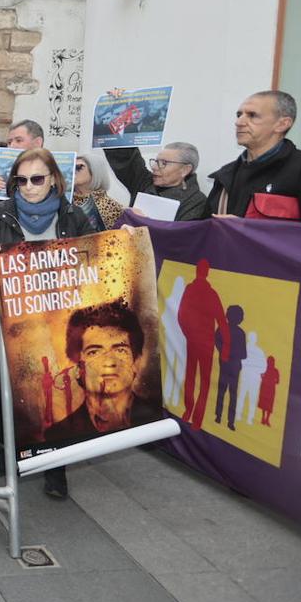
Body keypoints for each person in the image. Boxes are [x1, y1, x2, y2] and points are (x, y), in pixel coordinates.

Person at [0, 147, 93, 499]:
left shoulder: (73, 215)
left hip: (57, 319)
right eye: (21, 180)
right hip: (7, 319)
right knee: (10, 390)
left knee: (57, 391)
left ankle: (56, 467)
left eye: (37, 179)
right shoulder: (1, 212)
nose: (30, 187)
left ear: (53, 179)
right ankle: (8, 452)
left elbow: (97, 253)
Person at [42, 302, 162, 445]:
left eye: (120, 350)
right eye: (94, 352)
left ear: (136, 361)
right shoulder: (59, 435)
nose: (109, 362)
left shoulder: (158, 418)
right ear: (77, 367)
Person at [208, 90, 301, 218]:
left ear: (282, 124)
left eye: (252, 115)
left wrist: (246, 229)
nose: (239, 122)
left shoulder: (297, 170)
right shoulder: (225, 175)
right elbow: (204, 227)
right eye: (239, 115)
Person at [103, 136, 209, 221]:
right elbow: (125, 159)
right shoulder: (145, 182)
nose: (154, 167)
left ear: (185, 170)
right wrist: (122, 132)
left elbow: (182, 240)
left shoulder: (196, 202)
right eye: (156, 161)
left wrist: (142, 220)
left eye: (164, 163)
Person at [178, 259, 230, 431]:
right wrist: (226, 347)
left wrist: (189, 335)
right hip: (205, 344)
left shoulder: (190, 290)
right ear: (207, 272)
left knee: (191, 377)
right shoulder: (211, 294)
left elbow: (181, 315)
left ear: (197, 271)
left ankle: (188, 412)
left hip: (195, 342)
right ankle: (196, 420)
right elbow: (223, 322)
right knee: (204, 382)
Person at [0, 119, 44, 194]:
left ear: (37, 143)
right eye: (9, 142)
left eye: (19, 140)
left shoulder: (51, 174)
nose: (11, 146)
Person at [213, 305, 247, 431]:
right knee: (232, 394)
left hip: (226, 364)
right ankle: (229, 421)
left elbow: (217, 343)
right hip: (234, 366)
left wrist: (226, 352)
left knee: (222, 392)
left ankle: (218, 416)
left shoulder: (222, 330)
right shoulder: (240, 333)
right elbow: (243, 354)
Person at [72, 153, 124, 230]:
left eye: (79, 167)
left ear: (94, 171)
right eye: (71, 167)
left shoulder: (111, 206)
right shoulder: (63, 200)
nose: (73, 171)